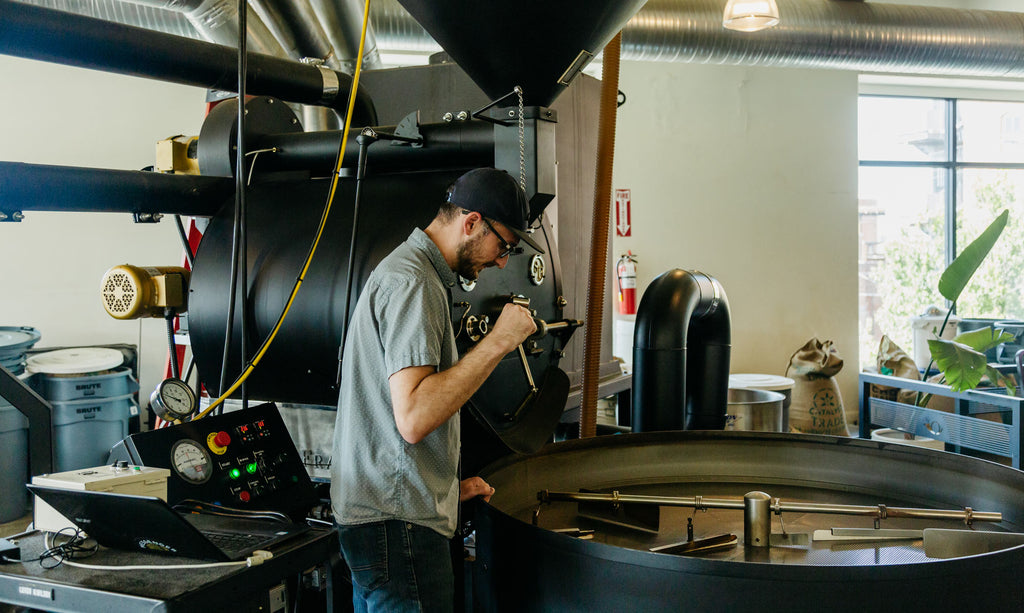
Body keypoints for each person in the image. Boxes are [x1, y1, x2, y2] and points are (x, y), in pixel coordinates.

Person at [331, 167, 544, 612]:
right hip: (398, 528)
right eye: (503, 245)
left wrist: (443, 488)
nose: (503, 261)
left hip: (385, 519)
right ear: (470, 223)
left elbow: (392, 416)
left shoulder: (408, 274)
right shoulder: (414, 283)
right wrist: (500, 340)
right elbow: (413, 417)